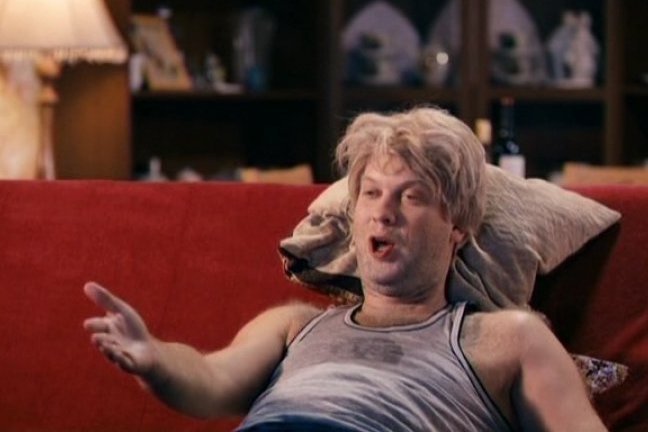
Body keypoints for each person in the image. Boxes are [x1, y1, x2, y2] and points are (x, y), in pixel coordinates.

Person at [84, 106, 606, 431]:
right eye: (371, 194)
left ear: (458, 228)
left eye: (412, 197)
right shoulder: (293, 326)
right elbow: (210, 378)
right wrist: (154, 359)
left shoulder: (507, 338)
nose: (384, 211)